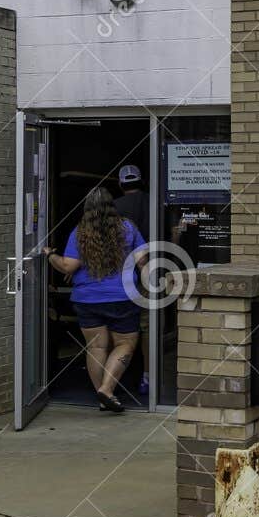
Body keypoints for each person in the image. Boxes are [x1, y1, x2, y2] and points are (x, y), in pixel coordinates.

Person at [42, 186, 147, 412]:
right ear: (112, 206)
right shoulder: (128, 228)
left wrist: (51, 255)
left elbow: (68, 266)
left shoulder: (80, 232)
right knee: (125, 344)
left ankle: (102, 396)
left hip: (87, 300)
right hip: (122, 297)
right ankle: (107, 390)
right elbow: (142, 262)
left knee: (97, 347)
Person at [113, 163, 153, 395]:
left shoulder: (114, 208)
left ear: (120, 184)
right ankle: (147, 376)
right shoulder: (154, 202)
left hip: (120, 277)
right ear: (142, 181)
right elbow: (172, 234)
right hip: (151, 272)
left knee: (120, 327)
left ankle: (114, 375)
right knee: (148, 327)